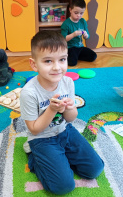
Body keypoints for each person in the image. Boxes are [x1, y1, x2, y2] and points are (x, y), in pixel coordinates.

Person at [20, 30, 104, 195]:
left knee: (95, 169)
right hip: (41, 139)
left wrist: (70, 108)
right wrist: (51, 110)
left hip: (65, 131)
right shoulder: (28, 92)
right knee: (64, 187)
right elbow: (34, 129)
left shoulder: (67, 83)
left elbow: (71, 119)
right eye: (48, 61)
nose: (57, 67)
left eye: (62, 59)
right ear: (34, 64)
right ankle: (34, 157)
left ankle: (59, 158)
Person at [61, 0, 97, 66]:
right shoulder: (66, 24)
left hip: (80, 47)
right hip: (70, 48)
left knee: (93, 56)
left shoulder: (83, 21)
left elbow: (87, 37)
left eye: (81, 13)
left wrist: (86, 35)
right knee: (72, 63)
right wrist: (73, 35)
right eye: (76, 13)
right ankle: (70, 56)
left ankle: (75, 56)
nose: (78, 15)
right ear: (70, 10)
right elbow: (63, 39)